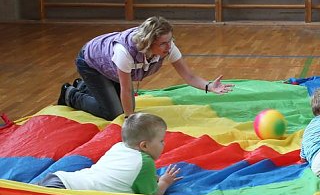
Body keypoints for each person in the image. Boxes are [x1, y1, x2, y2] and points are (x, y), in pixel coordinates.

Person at [58, 16, 234, 121]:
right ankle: (71, 94)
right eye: (163, 43)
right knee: (115, 113)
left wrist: (209, 86)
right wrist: (128, 119)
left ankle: (85, 86)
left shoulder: (168, 47)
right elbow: (127, 90)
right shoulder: (124, 52)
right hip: (91, 64)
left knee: (125, 107)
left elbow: (188, 75)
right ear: (149, 43)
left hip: (112, 67)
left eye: (170, 41)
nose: (168, 47)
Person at [37, 112, 181, 195]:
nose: (164, 144)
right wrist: (164, 182)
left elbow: (132, 174)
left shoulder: (119, 147)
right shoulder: (145, 162)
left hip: (58, 179)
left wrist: (154, 177)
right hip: (66, 193)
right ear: (144, 145)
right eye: (161, 141)